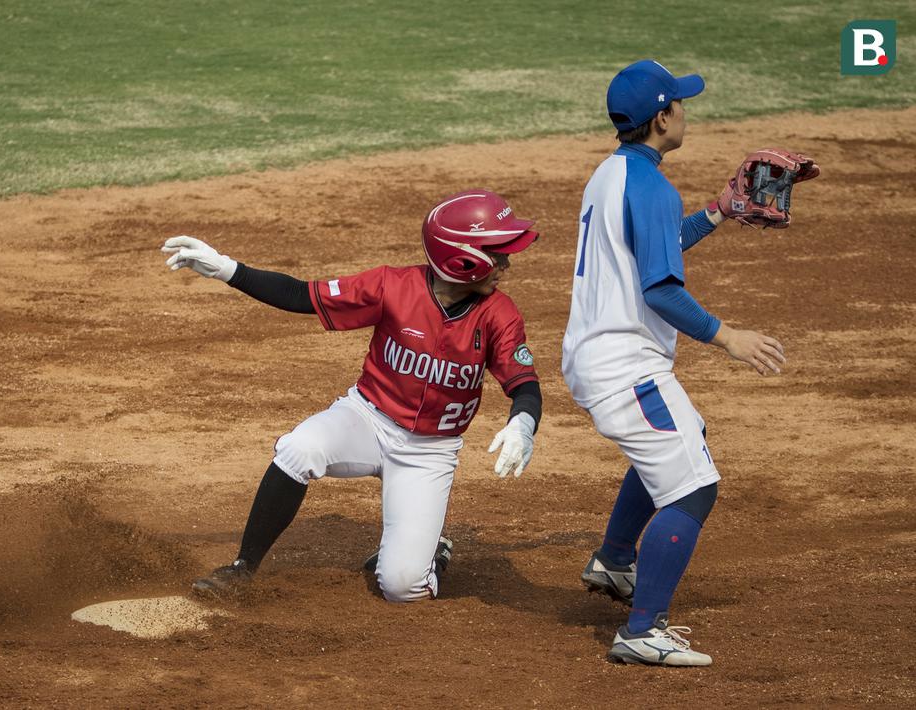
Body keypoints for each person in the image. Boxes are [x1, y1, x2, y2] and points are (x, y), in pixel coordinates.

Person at [162, 189, 544, 602]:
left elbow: (523, 383)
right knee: (298, 449)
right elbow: (301, 295)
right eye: (497, 253)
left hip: (429, 451)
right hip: (366, 419)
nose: (505, 263)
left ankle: (431, 551)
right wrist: (226, 269)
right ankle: (242, 567)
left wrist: (523, 420)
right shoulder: (392, 286)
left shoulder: (499, 315)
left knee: (402, 588)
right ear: (464, 259)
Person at [563, 60, 786, 666]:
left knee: (684, 442)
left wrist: (717, 211)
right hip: (625, 368)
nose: (687, 110)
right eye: (681, 103)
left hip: (596, 356)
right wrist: (727, 336)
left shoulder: (612, 174)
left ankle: (614, 560)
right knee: (694, 487)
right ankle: (641, 630)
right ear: (662, 117)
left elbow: (649, 247)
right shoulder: (653, 186)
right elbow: (659, 288)